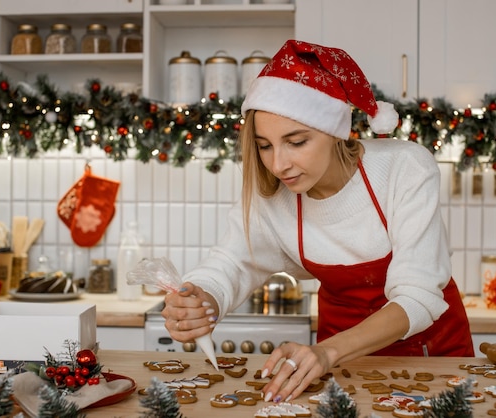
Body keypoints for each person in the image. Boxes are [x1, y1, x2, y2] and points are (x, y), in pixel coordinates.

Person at [161, 39, 474, 404]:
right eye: (265, 146)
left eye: (297, 141)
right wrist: (200, 299)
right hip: (337, 368)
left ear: (335, 130)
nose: (279, 165)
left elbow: (418, 296)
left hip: (431, 359)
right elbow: (232, 263)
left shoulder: (404, 167)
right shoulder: (275, 195)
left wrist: (327, 352)